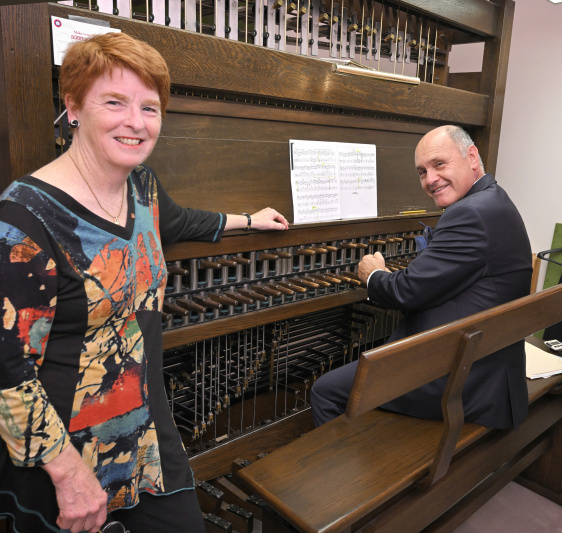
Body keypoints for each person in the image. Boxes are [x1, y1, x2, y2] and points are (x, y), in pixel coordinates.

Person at [0, 33, 289, 533]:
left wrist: (246, 219)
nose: (135, 122)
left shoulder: (143, 187)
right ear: (73, 107)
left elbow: (180, 222)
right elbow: (7, 371)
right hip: (68, 455)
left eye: (149, 107)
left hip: (149, 435)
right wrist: (68, 474)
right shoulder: (23, 219)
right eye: (115, 102)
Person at [310, 125, 532, 430]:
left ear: (471, 156)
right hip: (488, 365)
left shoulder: (470, 213)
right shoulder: (494, 199)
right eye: (422, 172)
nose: (430, 179)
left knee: (325, 391)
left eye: (439, 164)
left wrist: (373, 274)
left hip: (460, 381)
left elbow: (407, 292)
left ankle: (353, 475)